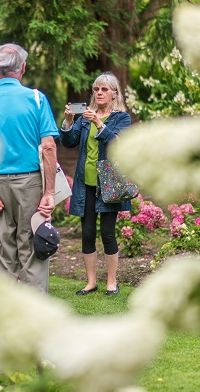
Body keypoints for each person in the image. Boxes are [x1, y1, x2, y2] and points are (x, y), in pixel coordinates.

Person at [0, 43, 59, 292]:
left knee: (1, 250)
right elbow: (48, 147)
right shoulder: (36, 99)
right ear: (23, 68)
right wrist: (50, 193)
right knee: (32, 249)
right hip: (29, 183)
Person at [59, 72, 131, 296]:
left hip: (108, 184)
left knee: (108, 233)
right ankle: (91, 282)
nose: (99, 93)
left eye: (104, 90)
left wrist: (99, 122)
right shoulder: (84, 117)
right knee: (87, 232)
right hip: (86, 183)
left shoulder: (121, 118)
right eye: (96, 89)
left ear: (114, 94)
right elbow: (69, 142)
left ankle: (112, 281)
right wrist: (70, 120)